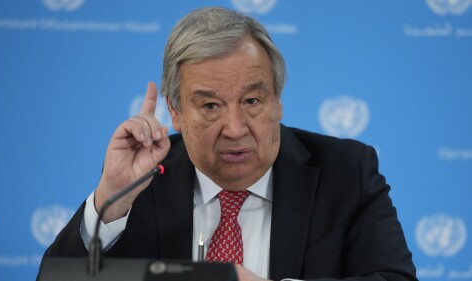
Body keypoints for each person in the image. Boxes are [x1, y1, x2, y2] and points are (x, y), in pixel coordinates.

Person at [38, 7, 417, 281]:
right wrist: (112, 200)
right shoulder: (143, 178)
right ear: (176, 111)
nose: (235, 128)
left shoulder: (345, 171)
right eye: (210, 106)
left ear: (278, 101)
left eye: (252, 101)